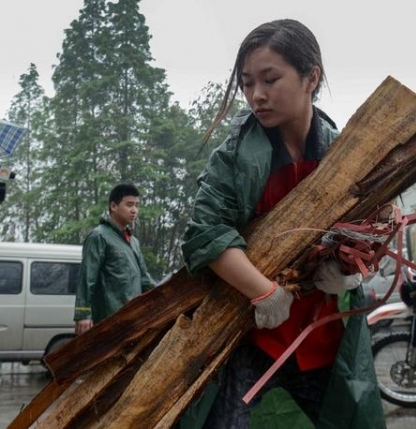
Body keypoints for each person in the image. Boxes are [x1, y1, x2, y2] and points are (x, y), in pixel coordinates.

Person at [180, 19, 385, 429]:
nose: (257, 95)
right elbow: (207, 232)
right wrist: (264, 293)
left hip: (320, 335)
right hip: (252, 334)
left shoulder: (347, 153)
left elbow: (375, 228)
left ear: (312, 77)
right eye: (246, 83)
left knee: (345, 419)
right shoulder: (234, 156)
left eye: (270, 79)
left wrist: (348, 272)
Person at [74, 183, 155, 335]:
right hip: (109, 318)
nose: (134, 210)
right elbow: (87, 277)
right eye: (129, 204)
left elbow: (145, 279)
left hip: (134, 317)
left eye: (137, 205)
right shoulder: (99, 236)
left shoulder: (133, 241)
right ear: (114, 206)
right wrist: (83, 315)